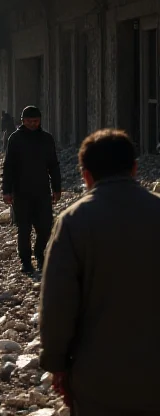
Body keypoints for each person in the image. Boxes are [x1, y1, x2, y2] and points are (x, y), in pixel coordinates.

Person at [40, 129, 160, 416]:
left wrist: (56, 365)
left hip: (98, 378)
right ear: (134, 169)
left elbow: (58, 304)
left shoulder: (72, 222)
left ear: (86, 176)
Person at [2, 106, 62, 274]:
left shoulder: (46, 139)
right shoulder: (15, 139)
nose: (32, 124)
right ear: (22, 121)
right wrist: (6, 190)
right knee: (24, 228)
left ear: (40, 120)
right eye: (29, 121)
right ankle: (26, 261)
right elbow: (8, 166)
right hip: (21, 192)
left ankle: (40, 254)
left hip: (42, 190)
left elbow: (53, 165)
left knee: (45, 226)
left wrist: (57, 188)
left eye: (35, 121)